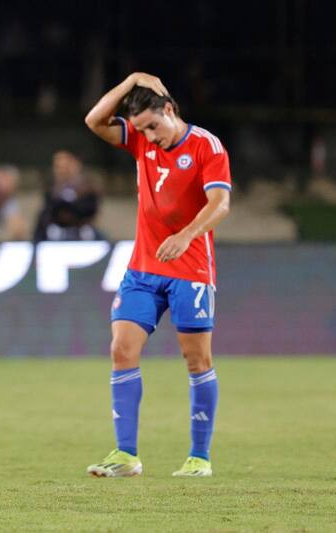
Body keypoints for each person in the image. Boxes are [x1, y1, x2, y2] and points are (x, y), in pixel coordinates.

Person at [83, 72, 231, 477]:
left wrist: (186, 235)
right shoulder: (139, 141)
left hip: (191, 268)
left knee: (197, 359)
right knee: (121, 350)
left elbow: (220, 204)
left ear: (170, 110)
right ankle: (126, 455)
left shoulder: (206, 146)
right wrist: (130, 82)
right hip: (144, 267)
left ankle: (199, 458)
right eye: (141, 128)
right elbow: (94, 121)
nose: (148, 136)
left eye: (153, 126)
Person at [33, 149, 104, 242]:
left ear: (76, 164)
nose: (62, 170)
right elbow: (46, 214)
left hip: (82, 230)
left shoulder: (88, 187)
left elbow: (91, 210)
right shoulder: (51, 189)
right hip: (55, 232)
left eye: (65, 166)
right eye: (58, 167)